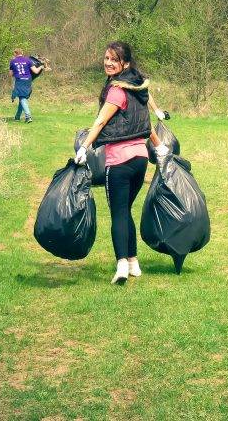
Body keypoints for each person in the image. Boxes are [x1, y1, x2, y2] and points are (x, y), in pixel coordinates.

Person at [74, 41, 169, 284]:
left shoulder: (117, 91)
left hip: (119, 162)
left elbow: (100, 123)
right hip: (140, 160)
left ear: (124, 63)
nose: (108, 62)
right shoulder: (138, 87)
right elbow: (144, 125)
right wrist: (158, 147)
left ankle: (121, 267)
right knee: (126, 210)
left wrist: (84, 147)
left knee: (117, 213)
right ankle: (134, 263)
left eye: (113, 59)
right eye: (106, 58)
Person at [9, 49, 44, 123]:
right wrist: (41, 67)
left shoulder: (13, 61)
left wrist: (15, 71)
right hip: (28, 80)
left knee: (22, 98)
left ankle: (28, 116)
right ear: (22, 53)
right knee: (23, 97)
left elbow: (10, 74)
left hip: (19, 80)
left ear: (15, 53)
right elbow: (35, 71)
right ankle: (17, 117)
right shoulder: (28, 60)